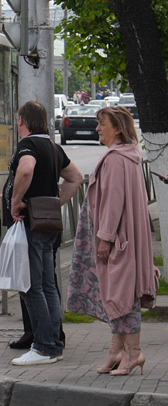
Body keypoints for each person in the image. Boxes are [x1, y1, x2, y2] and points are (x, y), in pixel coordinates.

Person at [68, 106, 157, 375]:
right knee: (121, 293)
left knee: (122, 295)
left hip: (118, 240)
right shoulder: (127, 156)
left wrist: (104, 238)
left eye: (102, 124)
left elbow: (113, 203)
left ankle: (134, 353)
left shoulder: (116, 159)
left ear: (117, 128)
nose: (97, 129)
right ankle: (116, 351)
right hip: (127, 238)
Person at [8, 100, 84, 366]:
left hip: (31, 224)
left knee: (32, 285)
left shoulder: (28, 145)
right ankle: (55, 343)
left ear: (22, 121)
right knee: (49, 285)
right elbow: (75, 177)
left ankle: (43, 347)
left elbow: (26, 169)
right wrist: (56, 202)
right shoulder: (53, 147)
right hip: (49, 224)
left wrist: (17, 200)